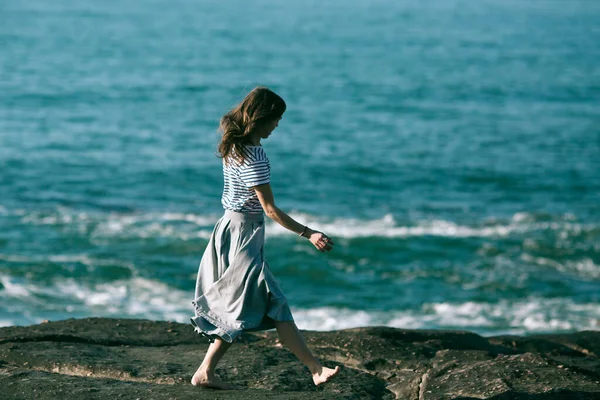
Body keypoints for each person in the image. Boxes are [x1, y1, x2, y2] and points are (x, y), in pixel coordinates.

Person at [190, 86, 340, 390]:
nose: (277, 125)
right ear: (261, 118)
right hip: (244, 235)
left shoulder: (233, 146)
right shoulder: (254, 155)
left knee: (250, 305)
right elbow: (269, 209)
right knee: (269, 303)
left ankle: (207, 371)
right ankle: (314, 369)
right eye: (276, 119)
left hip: (228, 230)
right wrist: (308, 233)